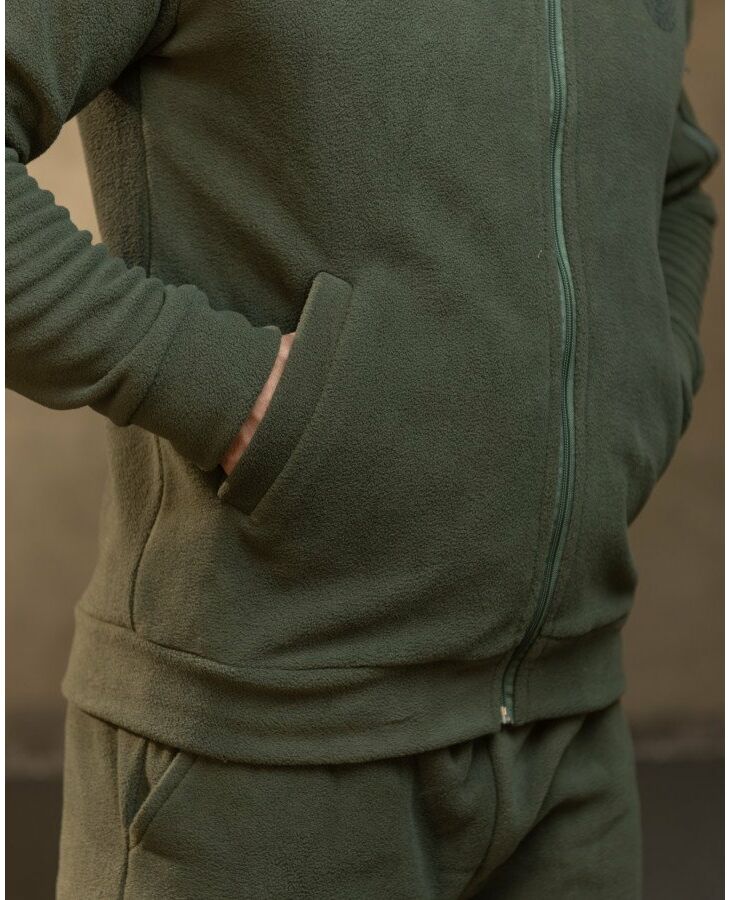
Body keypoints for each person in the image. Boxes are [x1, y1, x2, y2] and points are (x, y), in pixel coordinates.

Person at [6, 0, 718, 896]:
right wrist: (226, 391)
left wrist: (649, 387)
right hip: (259, 759)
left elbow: (673, 176)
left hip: (575, 751)